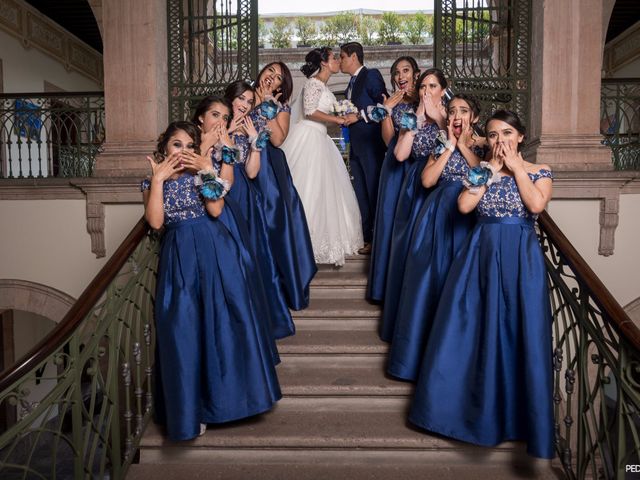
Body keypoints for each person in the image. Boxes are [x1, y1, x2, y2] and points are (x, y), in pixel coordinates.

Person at [409, 110, 554, 459]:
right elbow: (463, 206)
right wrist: (487, 174)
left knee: (520, 334)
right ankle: (471, 416)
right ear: (486, 140)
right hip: (481, 256)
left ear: (519, 136)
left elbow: (536, 204)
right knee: (475, 332)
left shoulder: (540, 171)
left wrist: (517, 168)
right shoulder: (481, 170)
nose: (499, 140)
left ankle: (520, 421)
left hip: (521, 259)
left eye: (506, 133)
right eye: (492, 135)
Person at [142, 121, 281, 441]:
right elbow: (155, 221)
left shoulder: (203, 171)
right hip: (180, 259)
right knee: (182, 330)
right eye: (177, 145)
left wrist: (206, 168)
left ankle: (224, 402)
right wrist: (158, 180)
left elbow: (217, 209)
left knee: (219, 326)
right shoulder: (154, 180)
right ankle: (190, 411)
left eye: (189, 145)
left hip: (214, 254)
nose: (183, 151)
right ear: (165, 148)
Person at [386, 94, 484, 381]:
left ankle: (456, 362)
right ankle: (422, 358)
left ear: (474, 118)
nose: (456, 116)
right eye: (452, 111)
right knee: (431, 284)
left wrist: (464, 146)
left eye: (463, 111)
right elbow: (427, 180)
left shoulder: (485, 143)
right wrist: (449, 147)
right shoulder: (441, 143)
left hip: (467, 222)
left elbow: (482, 172)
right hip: (436, 218)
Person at [223, 81, 295, 339]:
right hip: (222, 196)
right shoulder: (216, 124)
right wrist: (227, 133)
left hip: (246, 197)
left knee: (254, 258)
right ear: (230, 99)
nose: (244, 104)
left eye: (249, 101)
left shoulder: (252, 126)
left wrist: (255, 143)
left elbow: (253, 172)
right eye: (240, 98)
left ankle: (259, 320)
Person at [379, 68, 447, 342]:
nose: (426, 91)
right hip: (414, 186)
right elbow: (399, 153)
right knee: (411, 252)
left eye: (432, 86)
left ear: (443, 89)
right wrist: (417, 119)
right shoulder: (412, 117)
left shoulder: (451, 115)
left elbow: (457, 145)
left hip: (443, 186)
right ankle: (410, 320)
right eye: (423, 87)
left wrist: (440, 118)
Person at [281, 47, 363, 266]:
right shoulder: (313, 83)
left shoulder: (323, 86)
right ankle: (302, 241)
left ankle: (321, 241)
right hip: (309, 137)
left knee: (325, 190)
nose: (337, 61)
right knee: (308, 187)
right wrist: (337, 119)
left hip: (321, 137)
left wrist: (340, 113)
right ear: (325, 63)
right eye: (334, 58)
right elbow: (309, 111)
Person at [249, 62, 317, 310]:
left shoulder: (280, 106)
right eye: (270, 71)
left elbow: (277, 139)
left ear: (281, 86)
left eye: (278, 78)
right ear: (262, 71)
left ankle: (278, 289)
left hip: (268, 166)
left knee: (272, 223)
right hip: (241, 161)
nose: (272, 77)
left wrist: (266, 105)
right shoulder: (242, 95)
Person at [367, 56, 420, 302]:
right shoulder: (392, 104)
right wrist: (387, 110)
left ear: (416, 75)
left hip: (421, 167)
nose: (400, 76)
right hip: (395, 168)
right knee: (391, 222)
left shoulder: (426, 101)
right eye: (397, 73)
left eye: (406, 70)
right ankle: (386, 286)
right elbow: (389, 141)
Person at [339, 41, 388, 253]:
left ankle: (379, 240)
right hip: (355, 147)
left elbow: (384, 105)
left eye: (342, 56)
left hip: (371, 146)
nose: (340, 61)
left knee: (373, 191)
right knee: (361, 193)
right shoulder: (351, 83)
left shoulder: (371, 75)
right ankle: (368, 238)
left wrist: (358, 115)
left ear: (353, 57)